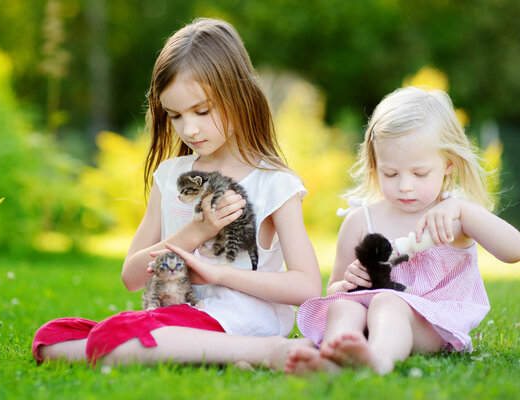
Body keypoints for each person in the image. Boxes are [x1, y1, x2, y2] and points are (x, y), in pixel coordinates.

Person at [32, 17, 322, 369]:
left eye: (202, 111)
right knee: (50, 337)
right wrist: (196, 232)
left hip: (240, 320)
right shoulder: (170, 177)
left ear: (238, 94)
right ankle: (213, 354)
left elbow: (307, 286)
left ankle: (264, 351)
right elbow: (132, 276)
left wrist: (217, 275)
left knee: (115, 337)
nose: (190, 129)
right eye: (175, 116)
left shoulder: (274, 182)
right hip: (175, 316)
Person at [286, 86, 520, 375]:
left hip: (430, 325)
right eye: (391, 173)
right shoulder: (361, 221)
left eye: (419, 173)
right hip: (368, 316)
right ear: (375, 165)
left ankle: (379, 359)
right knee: (342, 308)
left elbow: (513, 250)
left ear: (447, 164)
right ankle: (333, 359)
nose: (405, 185)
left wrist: (463, 210)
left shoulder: (454, 216)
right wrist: (346, 284)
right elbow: (333, 288)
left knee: (388, 301)